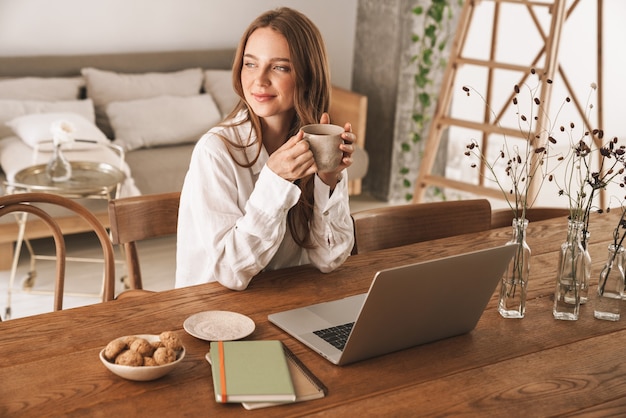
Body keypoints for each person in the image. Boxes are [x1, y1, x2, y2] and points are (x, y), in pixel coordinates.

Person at [175, 7, 356, 290]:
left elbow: (329, 260)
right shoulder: (215, 151)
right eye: (250, 64)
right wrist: (275, 181)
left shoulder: (311, 147)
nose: (259, 80)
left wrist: (327, 180)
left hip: (285, 305)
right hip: (215, 315)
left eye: (279, 67)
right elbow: (231, 272)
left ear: (308, 75)